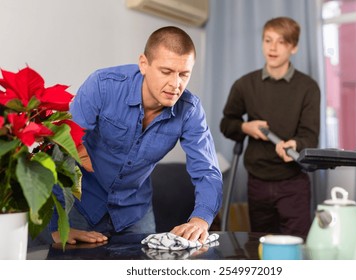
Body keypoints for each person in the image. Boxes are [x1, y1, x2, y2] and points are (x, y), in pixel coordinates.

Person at [46, 26, 223, 246]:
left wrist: (201, 219)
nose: (175, 84)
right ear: (144, 64)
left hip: (134, 211)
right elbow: (61, 151)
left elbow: (206, 170)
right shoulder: (103, 86)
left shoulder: (190, 110)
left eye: (184, 74)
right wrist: (56, 226)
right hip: (80, 205)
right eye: (166, 71)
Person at [220, 17, 320, 240]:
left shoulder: (308, 88)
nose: (272, 48)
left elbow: (309, 136)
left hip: (293, 185)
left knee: (297, 248)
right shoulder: (245, 85)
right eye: (268, 40)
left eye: (281, 42)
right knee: (262, 247)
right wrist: (246, 127)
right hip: (257, 183)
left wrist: (295, 145)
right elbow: (227, 123)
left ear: (293, 47)